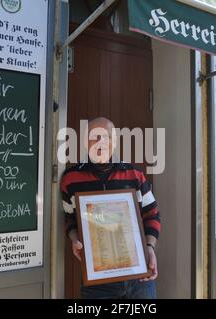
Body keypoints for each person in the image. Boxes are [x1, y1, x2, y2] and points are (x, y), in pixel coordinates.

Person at [60, 117, 161, 299]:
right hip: (98, 281)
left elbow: (152, 214)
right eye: (94, 136)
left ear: (115, 142)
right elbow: (69, 219)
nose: (101, 142)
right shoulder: (70, 179)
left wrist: (150, 247)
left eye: (106, 137)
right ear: (85, 141)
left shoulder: (135, 175)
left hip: (139, 278)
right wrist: (75, 239)